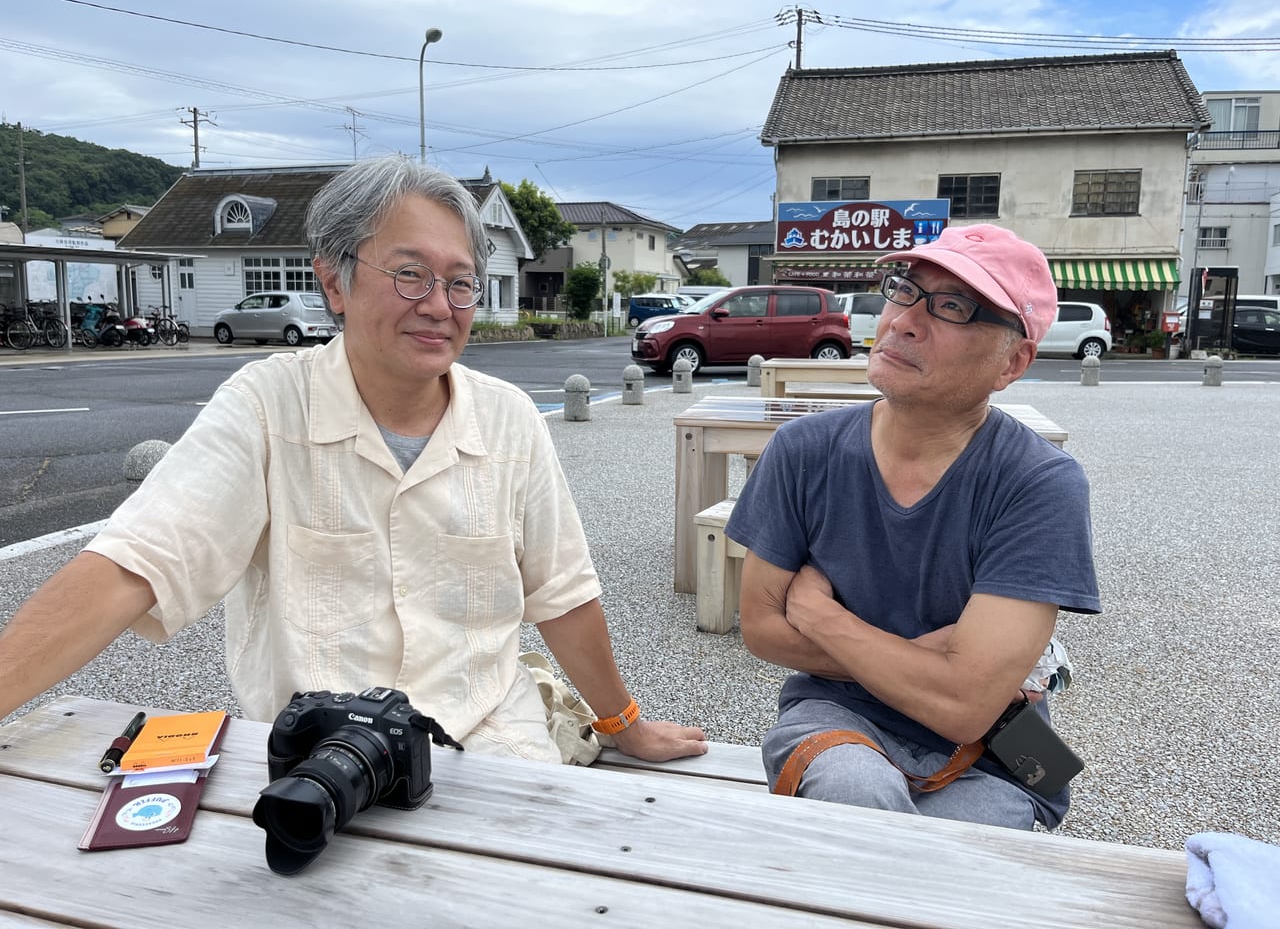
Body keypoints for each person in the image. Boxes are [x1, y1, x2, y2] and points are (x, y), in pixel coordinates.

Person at [0, 156, 706, 765]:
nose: (439, 305)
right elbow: (133, 564)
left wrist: (624, 725)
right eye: (409, 275)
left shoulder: (508, 419)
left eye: (460, 283)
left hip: (489, 736)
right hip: (320, 750)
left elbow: (562, 595)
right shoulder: (269, 406)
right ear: (334, 283)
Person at [726, 224, 1100, 830]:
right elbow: (764, 630)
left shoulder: (1039, 483)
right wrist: (943, 667)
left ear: (1014, 362)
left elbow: (967, 709)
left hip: (998, 753)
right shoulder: (803, 451)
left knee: (956, 857)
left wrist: (826, 619)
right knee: (855, 795)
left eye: (953, 306)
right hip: (835, 714)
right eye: (904, 289)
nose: (902, 320)